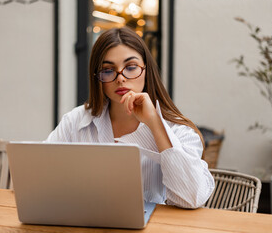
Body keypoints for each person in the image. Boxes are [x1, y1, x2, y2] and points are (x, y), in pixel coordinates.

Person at [46, 27, 214, 209]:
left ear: (146, 70)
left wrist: (154, 123)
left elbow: (191, 198)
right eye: (108, 70)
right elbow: (40, 173)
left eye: (131, 67)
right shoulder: (76, 120)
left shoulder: (177, 130)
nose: (120, 78)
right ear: (97, 78)